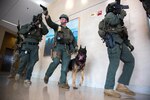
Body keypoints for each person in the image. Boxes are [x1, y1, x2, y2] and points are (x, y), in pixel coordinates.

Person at [98, 2, 135, 98]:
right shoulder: (109, 16)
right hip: (113, 44)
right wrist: (121, 15)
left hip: (121, 43)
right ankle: (108, 88)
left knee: (130, 61)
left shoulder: (118, 19)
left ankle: (121, 84)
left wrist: (128, 44)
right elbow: (113, 22)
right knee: (114, 64)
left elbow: (122, 33)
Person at [42, 9, 78, 89]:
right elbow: (50, 23)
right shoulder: (57, 27)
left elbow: (74, 40)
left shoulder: (69, 31)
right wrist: (46, 15)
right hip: (57, 47)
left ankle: (62, 83)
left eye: (63, 18)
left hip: (67, 49)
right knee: (56, 62)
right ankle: (47, 75)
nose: (61, 19)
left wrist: (75, 47)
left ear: (66, 21)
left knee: (65, 67)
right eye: (61, 18)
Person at [15, 13, 48, 85]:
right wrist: (30, 26)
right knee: (24, 60)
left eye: (38, 21)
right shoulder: (27, 25)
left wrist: (41, 22)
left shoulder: (39, 29)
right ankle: (18, 73)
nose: (37, 22)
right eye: (36, 20)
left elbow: (46, 31)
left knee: (31, 63)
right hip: (26, 45)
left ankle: (27, 79)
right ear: (33, 20)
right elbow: (21, 31)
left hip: (35, 47)